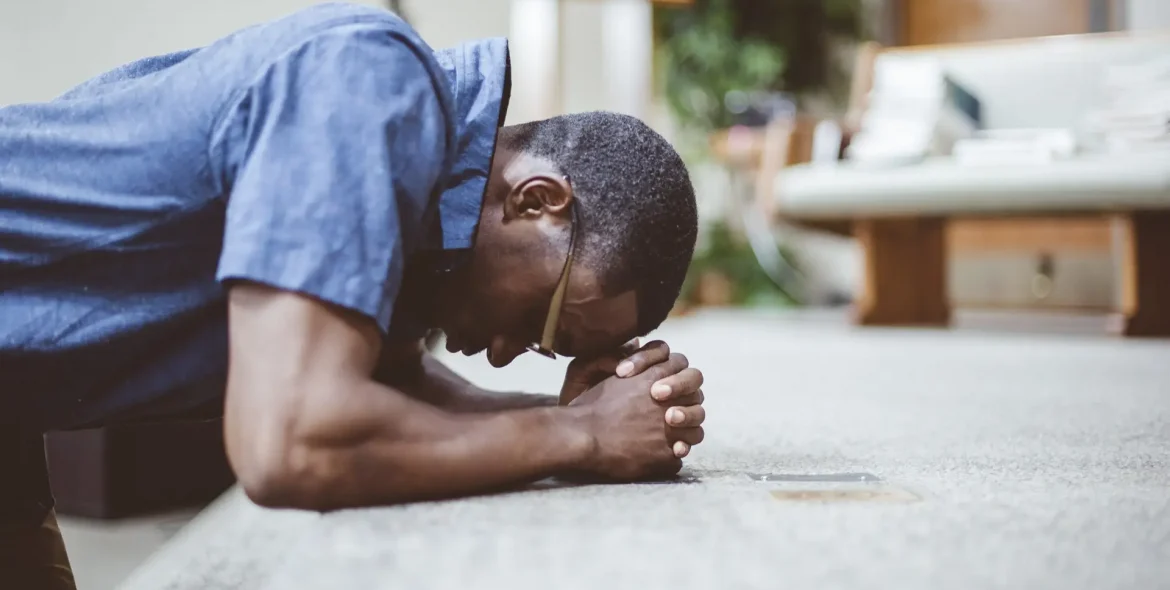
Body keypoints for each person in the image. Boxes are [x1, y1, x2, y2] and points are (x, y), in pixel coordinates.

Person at [0, 2, 707, 586]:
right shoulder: (368, 83)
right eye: (536, 322)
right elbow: (290, 442)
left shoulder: (420, 201)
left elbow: (386, 377)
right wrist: (577, 436)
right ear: (537, 199)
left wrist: (571, 410)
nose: (499, 355)